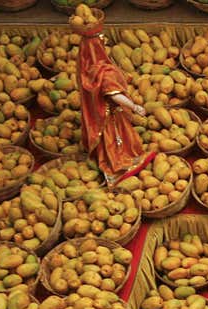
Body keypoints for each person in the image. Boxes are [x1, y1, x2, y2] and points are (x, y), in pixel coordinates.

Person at [70, 4, 153, 184]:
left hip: (96, 115)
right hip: (110, 115)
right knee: (115, 140)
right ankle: (117, 166)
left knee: (105, 141)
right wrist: (134, 106)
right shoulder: (103, 72)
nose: (105, 42)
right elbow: (114, 95)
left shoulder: (86, 67)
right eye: (101, 41)